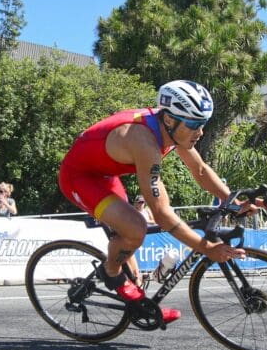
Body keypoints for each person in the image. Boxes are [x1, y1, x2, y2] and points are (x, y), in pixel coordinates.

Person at [59, 80, 251, 325]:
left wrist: (234, 202)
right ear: (170, 119)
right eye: (194, 124)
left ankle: (135, 295)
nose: (200, 132)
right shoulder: (145, 142)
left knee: (133, 256)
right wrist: (207, 249)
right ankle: (111, 273)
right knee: (136, 228)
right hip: (79, 177)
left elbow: (200, 170)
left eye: (203, 124)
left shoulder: (172, 130)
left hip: (105, 175)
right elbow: (161, 213)